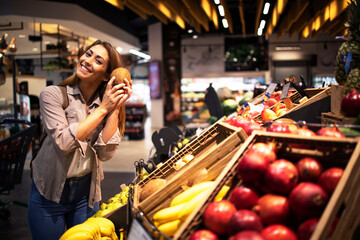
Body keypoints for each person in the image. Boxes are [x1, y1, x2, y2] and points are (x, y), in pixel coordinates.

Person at [27, 40, 132, 240]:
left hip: (85, 192)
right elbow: (64, 143)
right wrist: (103, 110)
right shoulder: (53, 95)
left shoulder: (104, 104)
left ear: (105, 76)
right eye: (88, 54)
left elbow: (105, 153)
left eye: (98, 60)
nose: (87, 60)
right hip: (49, 191)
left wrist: (115, 107)